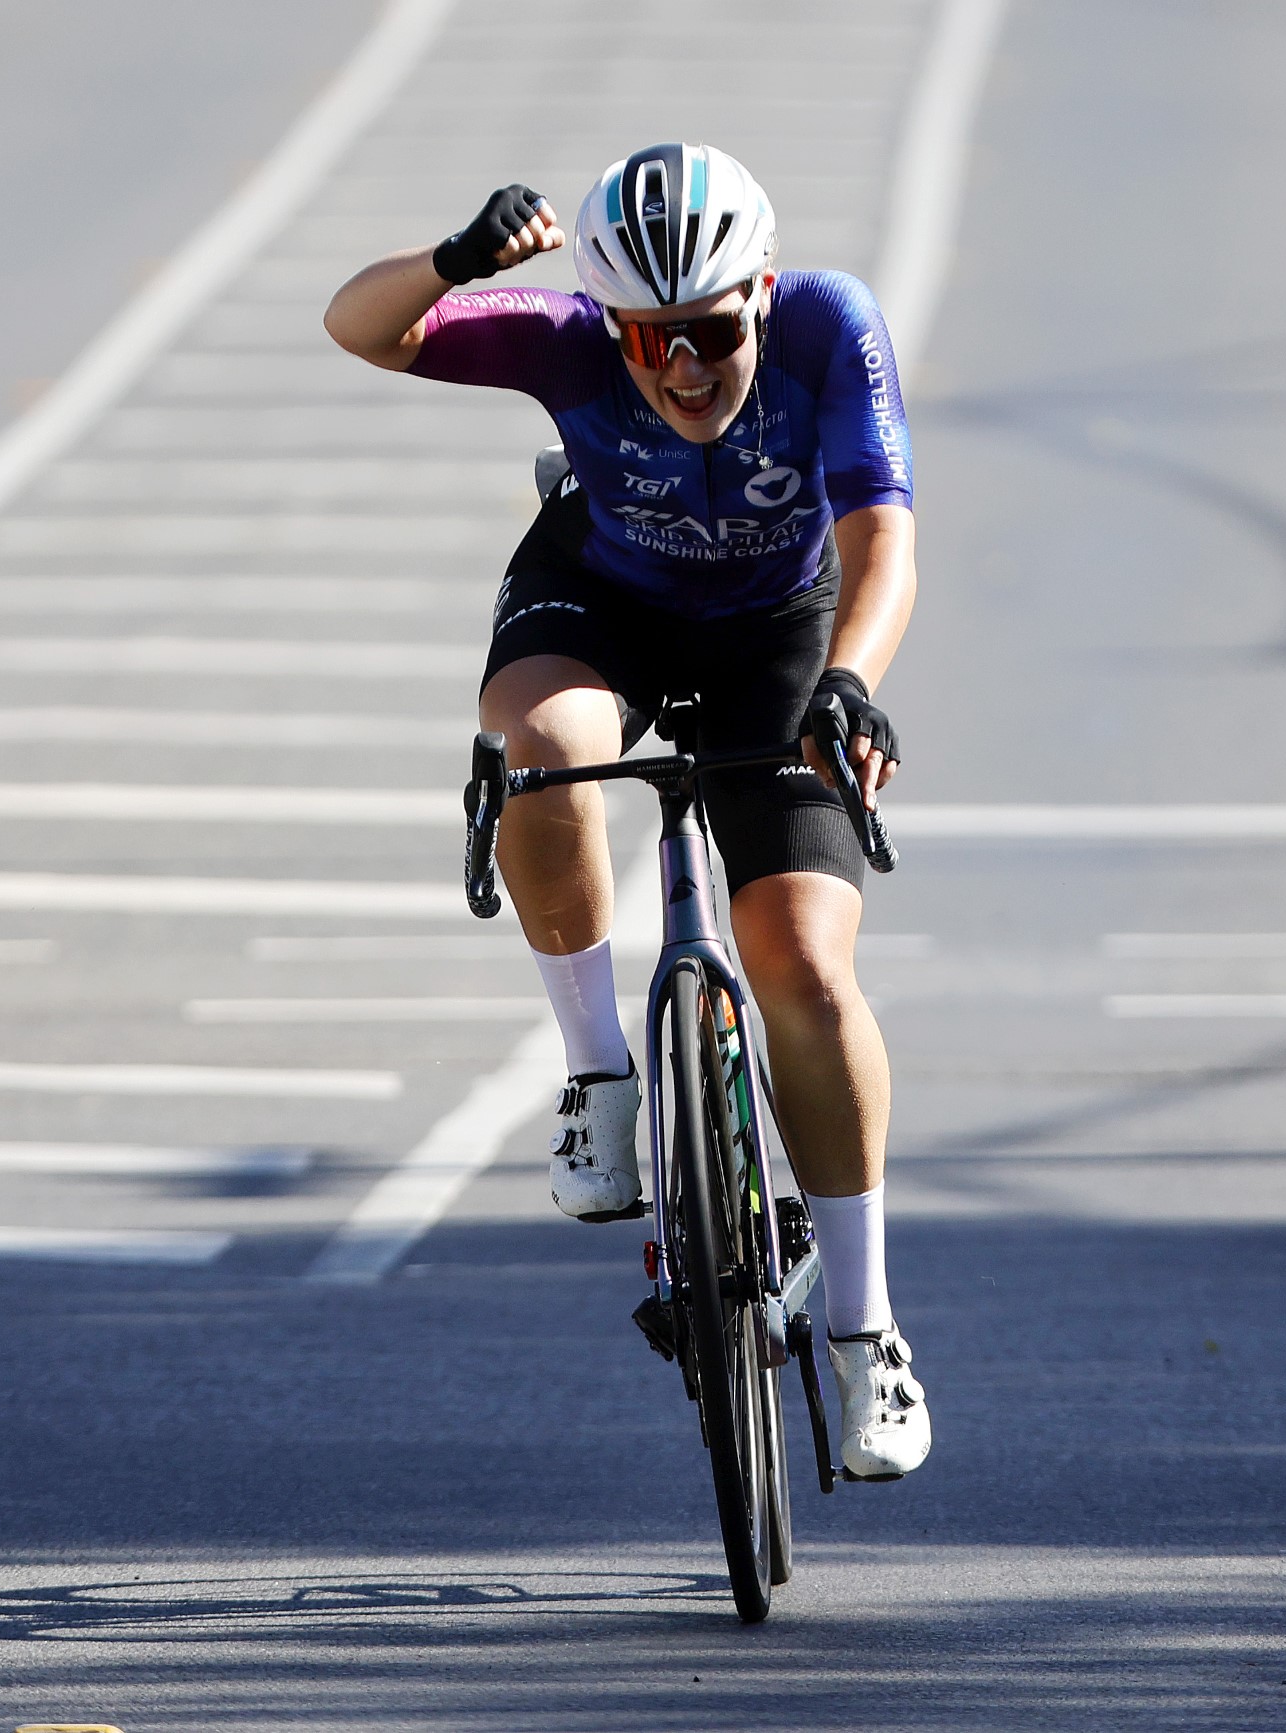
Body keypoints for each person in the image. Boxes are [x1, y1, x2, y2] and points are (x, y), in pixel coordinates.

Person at [324, 144, 928, 1479]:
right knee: (542, 753)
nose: (685, 368)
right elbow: (358, 325)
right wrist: (455, 262)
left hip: (780, 631)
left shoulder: (833, 324)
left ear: (762, 296)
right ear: (611, 324)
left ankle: (863, 1331)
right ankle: (600, 1073)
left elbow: (881, 529)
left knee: (806, 974)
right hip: (605, 601)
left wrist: (847, 685)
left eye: (714, 332)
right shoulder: (571, 343)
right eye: (653, 340)